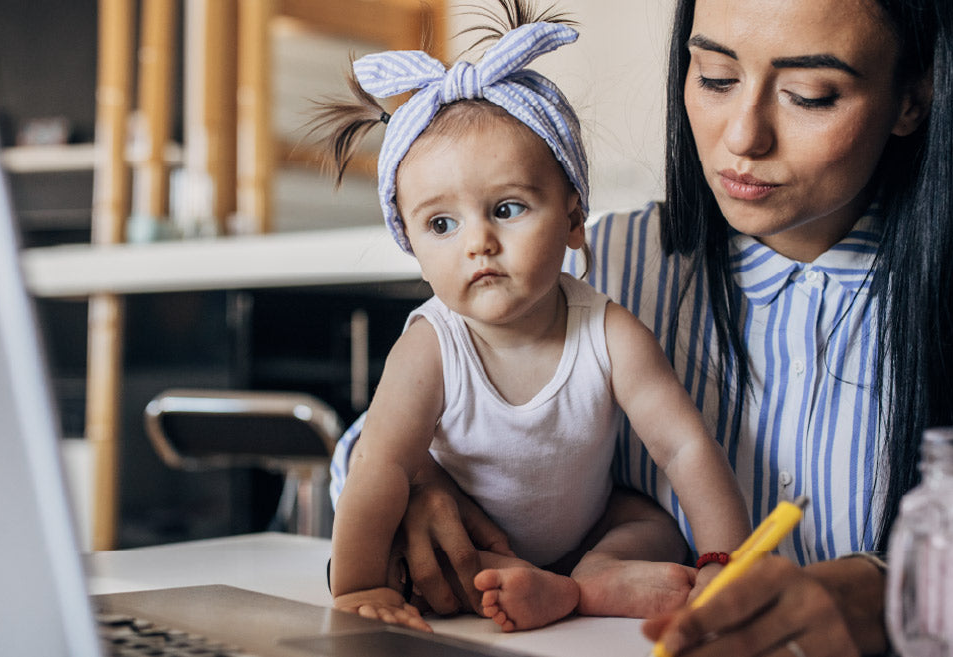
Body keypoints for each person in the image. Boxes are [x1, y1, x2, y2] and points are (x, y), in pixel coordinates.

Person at [329, 0, 953, 654]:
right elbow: (366, 452)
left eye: (810, 94)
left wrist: (876, 595)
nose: (743, 137)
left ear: (912, 96)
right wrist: (423, 480)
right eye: (712, 77)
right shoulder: (604, 256)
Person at [311, 8, 751, 634]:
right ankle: (552, 587)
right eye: (442, 224)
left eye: (508, 208)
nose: (478, 242)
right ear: (408, 240)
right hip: (477, 545)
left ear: (573, 218)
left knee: (650, 522)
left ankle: (587, 581)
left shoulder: (609, 332)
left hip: (592, 529)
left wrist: (723, 563)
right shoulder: (432, 346)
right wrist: (361, 587)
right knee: (422, 547)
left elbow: (684, 447)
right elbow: (378, 465)